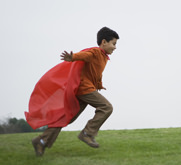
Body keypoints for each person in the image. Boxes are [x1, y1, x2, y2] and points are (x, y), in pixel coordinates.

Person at [28, 27, 119, 156]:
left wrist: (99, 84)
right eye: (113, 43)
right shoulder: (95, 52)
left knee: (67, 118)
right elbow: (85, 56)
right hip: (84, 89)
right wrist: (73, 57)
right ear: (104, 42)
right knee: (106, 107)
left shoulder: (103, 57)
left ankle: (41, 141)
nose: (115, 47)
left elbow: (95, 72)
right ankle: (87, 133)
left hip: (84, 90)